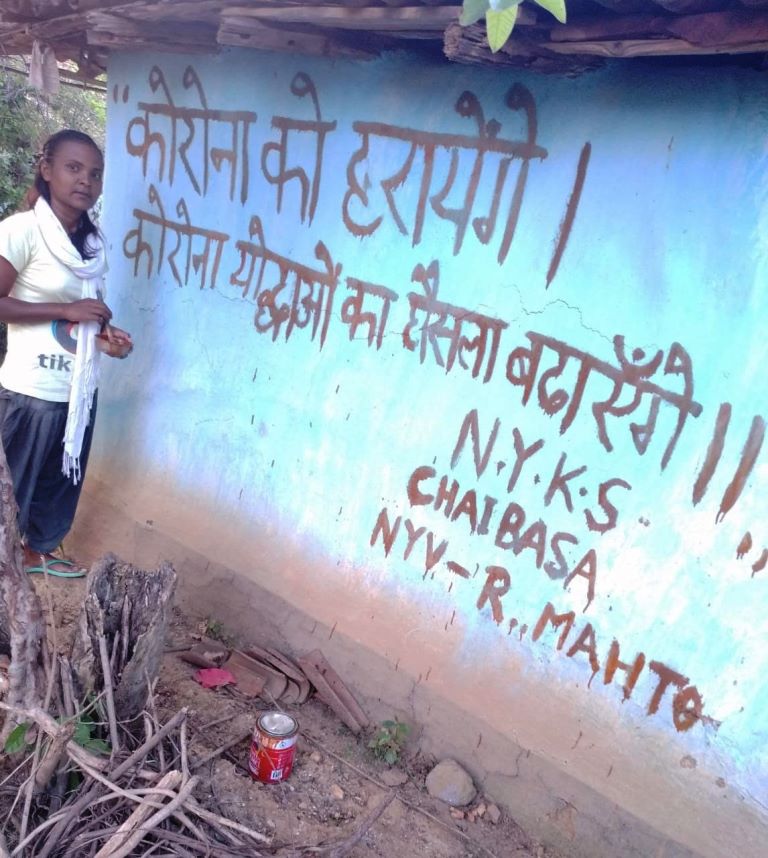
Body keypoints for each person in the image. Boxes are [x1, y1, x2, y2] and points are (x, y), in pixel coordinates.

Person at [0, 129, 132, 576]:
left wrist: (106, 338)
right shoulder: (21, 231)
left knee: (58, 485)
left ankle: (36, 552)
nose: (85, 181)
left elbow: (81, 317)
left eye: (95, 173)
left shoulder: (93, 247)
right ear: (46, 169)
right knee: (10, 489)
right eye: (73, 168)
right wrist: (65, 308)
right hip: (30, 392)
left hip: (75, 391)